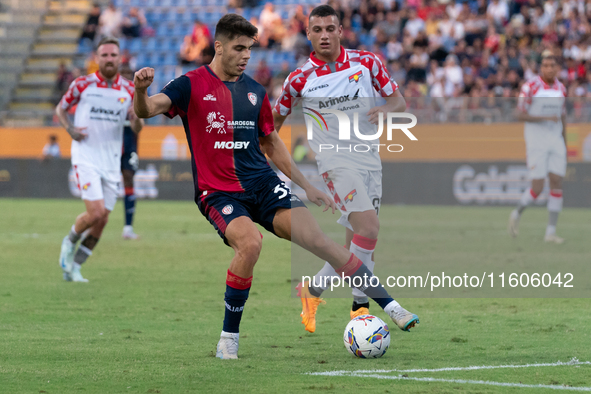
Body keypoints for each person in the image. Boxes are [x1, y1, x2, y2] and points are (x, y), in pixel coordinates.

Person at [133, 14, 419, 360]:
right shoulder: (189, 84)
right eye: (239, 49)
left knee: (320, 242)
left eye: (249, 50)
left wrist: (306, 185)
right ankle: (229, 336)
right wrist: (140, 90)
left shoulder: (254, 92)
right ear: (219, 47)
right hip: (219, 192)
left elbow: (271, 142)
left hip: (265, 185)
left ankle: (392, 307)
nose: (245, 56)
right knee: (251, 244)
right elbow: (148, 109)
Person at [273, 4, 413, 334]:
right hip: (335, 163)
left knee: (357, 245)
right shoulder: (299, 78)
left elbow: (399, 101)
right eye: (317, 29)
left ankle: (314, 291)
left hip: (369, 160)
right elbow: (272, 126)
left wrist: (385, 109)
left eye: (329, 29)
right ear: (308, 34)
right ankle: (364, 309)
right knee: (370, 227)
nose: (324, 35)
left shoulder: (367, 62)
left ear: (340, 31)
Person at [56, 37, 141, 282]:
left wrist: (136, 118)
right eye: (104, 55)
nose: (109, 59)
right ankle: (69, 240)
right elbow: (60, 108)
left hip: (111, 161)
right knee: (94, 213)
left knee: (102, 220)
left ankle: (75, 268)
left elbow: (137, 127)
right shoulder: (82, 84)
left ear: (119, 58)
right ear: (97, 58)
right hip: (86, 156)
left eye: (113, 55)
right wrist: (70, 130)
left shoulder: (129, 90)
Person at [509, 52, 567, 244]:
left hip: (555, 139)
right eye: (546, 66)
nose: (549, 69)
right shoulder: (530, 86)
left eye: (553, 66)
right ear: (542, 68)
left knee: (557, 181)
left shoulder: (561, 88)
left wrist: (564, 140)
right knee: (538, 187)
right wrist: (543, 118)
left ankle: (550, 232)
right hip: (536, 140)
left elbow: (563, 115)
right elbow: (518, 113)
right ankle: (517, 213)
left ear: (557, 68)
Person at [120, 69, 144, 240]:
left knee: (128, 177)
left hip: (129, 141)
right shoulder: (109, 93)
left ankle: (128, 228)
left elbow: (140, 125)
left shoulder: (135, 95)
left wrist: (135, 120)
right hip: (109, 141)